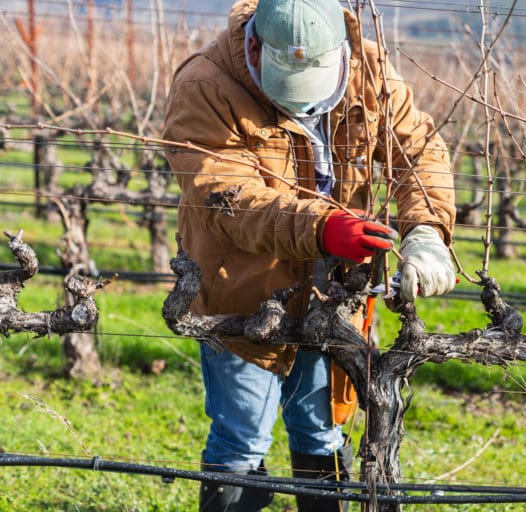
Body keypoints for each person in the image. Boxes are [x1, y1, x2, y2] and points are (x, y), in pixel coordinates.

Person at [162, 0, 456, 510]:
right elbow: (227, 198)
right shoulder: (205, 86)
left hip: (334, 296)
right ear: (256, 46)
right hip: (241, 295)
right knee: (241, 439)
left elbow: (419, 151)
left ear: (339, 52)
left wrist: (426, 230)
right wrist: (323, 227)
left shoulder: (368, 68)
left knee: (322, 434)